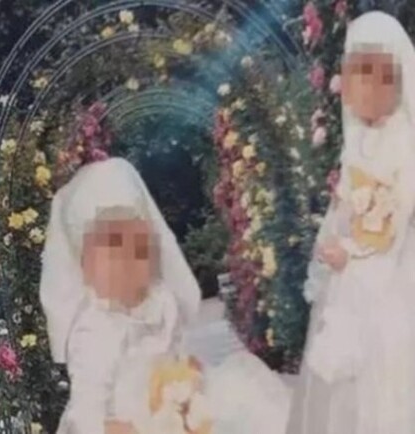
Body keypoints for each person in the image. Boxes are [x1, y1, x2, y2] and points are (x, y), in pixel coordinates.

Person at [40, 158, 290, 434]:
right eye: (111, 252)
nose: (126, 263)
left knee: (242, 393)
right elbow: (85, 411)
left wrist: (187, 377)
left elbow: (175, 355)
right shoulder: (93, 329)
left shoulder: (161, 301)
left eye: (139, 249)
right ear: (86, 268)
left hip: (166, 412)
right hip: (122, 424)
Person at [287, 11, 415, 434]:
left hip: (392, 269)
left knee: (388, 360)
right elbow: (346, 203)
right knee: (347, 373)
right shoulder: (359, 139)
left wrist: (355, 253)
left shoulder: (404, 142)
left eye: (371, 78)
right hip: (354, 267)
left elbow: (398, 213)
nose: (356, 91)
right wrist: (333, 242)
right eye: (353, 77)